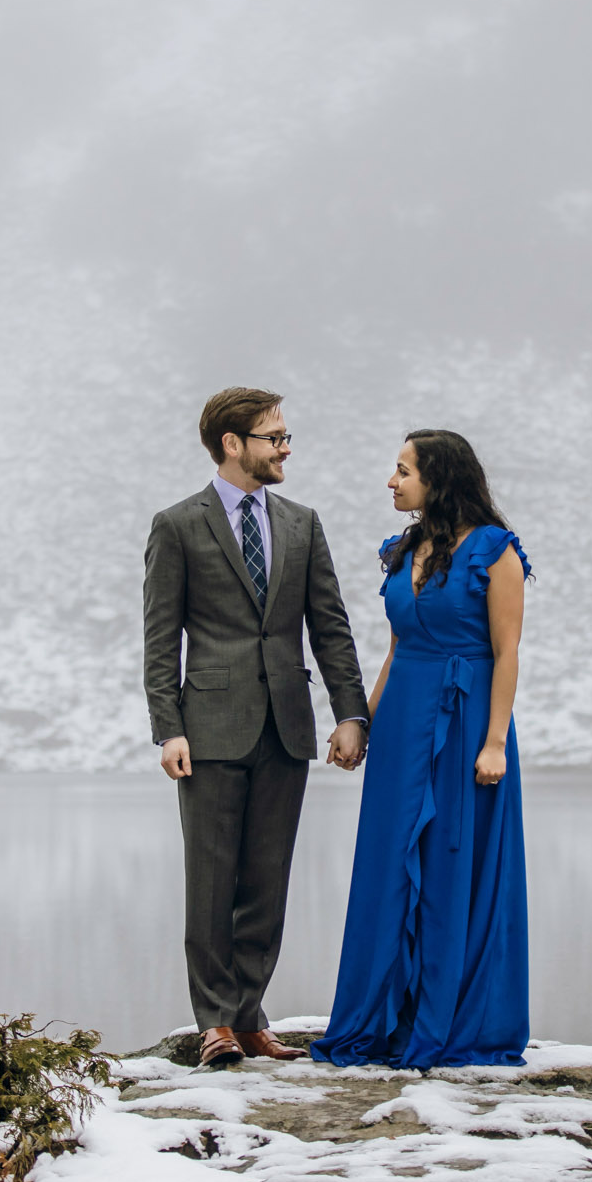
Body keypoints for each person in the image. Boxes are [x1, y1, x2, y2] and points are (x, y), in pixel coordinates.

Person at [143, 387, 369, 1069]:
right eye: (274, 437)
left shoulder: (302, 523)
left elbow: (330, 626)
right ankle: (212, 1021)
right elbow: (160, 640)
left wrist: (351, 713)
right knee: (211, 880)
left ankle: (248, 1020)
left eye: (286, 435)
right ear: (232, 443)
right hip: (207, 730)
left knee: (266, 880)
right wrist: (168, 728)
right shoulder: (177, 524)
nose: (286, 448)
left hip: (288, 729)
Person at [312, 429, 530, 1070]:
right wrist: (364, 725)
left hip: (465, 722)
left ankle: (448, 1019)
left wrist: (495, 743)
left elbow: (508, 652)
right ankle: (380, 1018)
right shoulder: (402, 549)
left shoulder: (496, 551)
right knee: (388, 862)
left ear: (438, 477)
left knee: (449, 863)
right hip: (405, 718)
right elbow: (398, 648)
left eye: (403, 470)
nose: (392, 481)